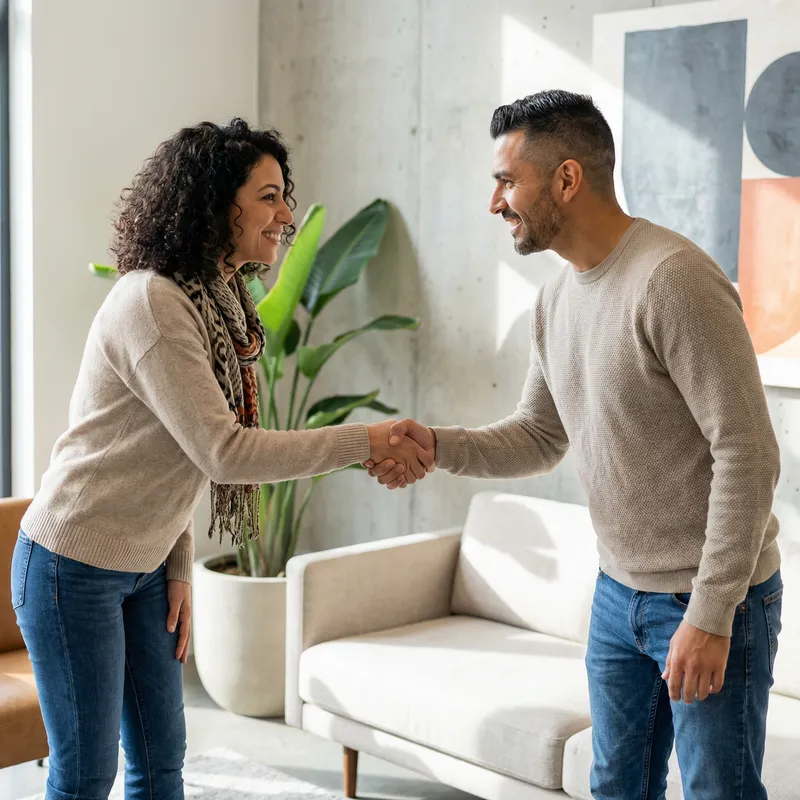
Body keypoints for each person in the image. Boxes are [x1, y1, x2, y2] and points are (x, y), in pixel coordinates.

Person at [365, 90, 782, 799]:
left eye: (506, 180)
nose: (496, 202)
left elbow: (747, 452)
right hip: (618, 597)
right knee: (616, 787)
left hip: (713, 602)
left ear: (566, 179)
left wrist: (712, 614)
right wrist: (437, 445)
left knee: (720, 791)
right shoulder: (556, 300)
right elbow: (538, 435)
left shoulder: (672, 280)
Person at [10, 119, 432, 800]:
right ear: (214, 202)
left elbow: (177, 457)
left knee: (159, 762)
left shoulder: (223, 302)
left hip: (144, 567)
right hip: (73, 567)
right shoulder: (152, 302)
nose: (287, 216)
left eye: (283, 197)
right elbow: (222, 451)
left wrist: (176, 567)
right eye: (268, 197)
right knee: (87, 774)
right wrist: (365, 442)